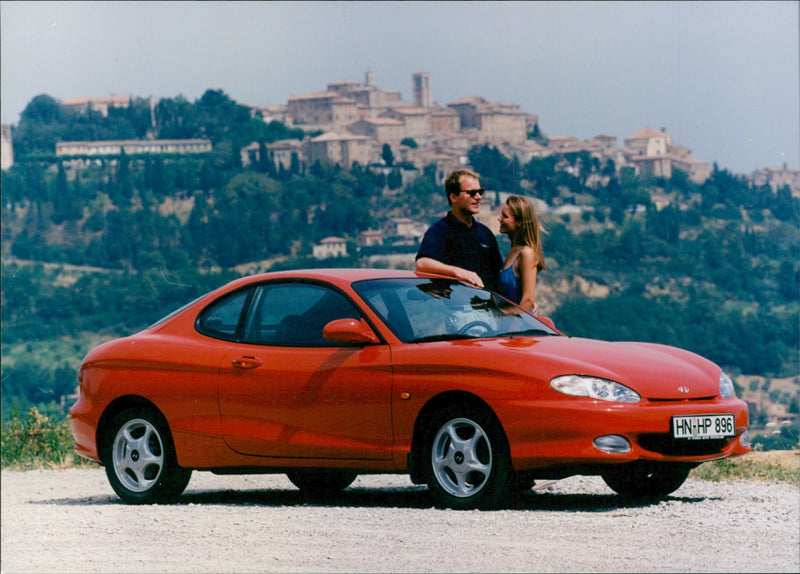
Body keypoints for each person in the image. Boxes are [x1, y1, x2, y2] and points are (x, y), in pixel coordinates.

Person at [415, 169, 503, 291]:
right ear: (454, 197)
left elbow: (497, 275)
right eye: (472, 193)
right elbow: (422, 264)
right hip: (454, 308)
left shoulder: (485, 233)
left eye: (480, 191)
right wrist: (457, 272)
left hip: (486, 307)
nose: (478, 197)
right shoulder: (439, 231)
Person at [497, 195, 546, 314]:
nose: (499, 219)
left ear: (519, 222)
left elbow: (528, 300)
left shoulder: (526, 253)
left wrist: (499, 317)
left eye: (505, 216)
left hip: (513, 327)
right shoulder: (513, 249)